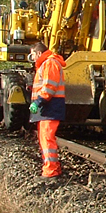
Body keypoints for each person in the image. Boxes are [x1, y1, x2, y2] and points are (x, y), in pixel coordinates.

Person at [28, 42, 66, 179]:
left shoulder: (50, 63)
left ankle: (51, 171)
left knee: (47, 139)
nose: (31, 57)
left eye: (32, 54)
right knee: (45, 139)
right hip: (48, 107)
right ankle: (51, 168)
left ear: (38, 53)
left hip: (49, 106)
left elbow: (50, 87)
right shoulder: (47, 64)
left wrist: (38, 101)